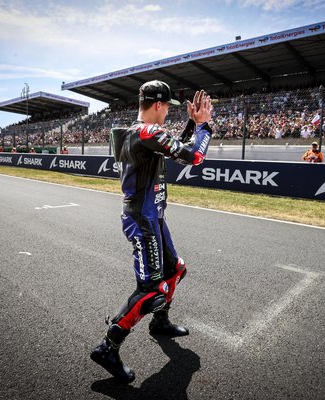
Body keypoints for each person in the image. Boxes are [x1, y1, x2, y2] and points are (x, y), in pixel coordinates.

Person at [90, 80, 214, 383]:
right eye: (167, 107)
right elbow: (194, 157)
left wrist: (191, 125)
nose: (167, 112)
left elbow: (174, 149)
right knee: (151, 290)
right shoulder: (147, 132)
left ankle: (160, 322)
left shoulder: (143, 133)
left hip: (153, 217)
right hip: (143, 220)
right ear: (158, 105)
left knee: (176, 270)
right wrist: (204, 126)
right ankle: (107, 347)